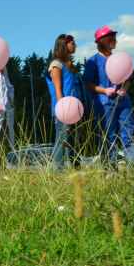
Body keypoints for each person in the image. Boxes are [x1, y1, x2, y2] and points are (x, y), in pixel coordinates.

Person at [83, 27, 134, 170]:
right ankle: (109, 169)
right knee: (107, 136)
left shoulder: (119, 58)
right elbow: (87, 84)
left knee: (129, 133)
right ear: (105, 41)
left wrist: (124, 89)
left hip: (123, 103)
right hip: (104, 104)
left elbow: (127, 79)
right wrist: (104, 90)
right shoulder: (93, 61)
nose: (116, 41)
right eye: (113, 39)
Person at [45, 34, 86, 170]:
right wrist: (64, 110)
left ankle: (77, 170)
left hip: (75, 110)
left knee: (75, 142)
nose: (75, 46)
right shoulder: (56, 64)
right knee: (61, 140)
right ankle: (59, 171)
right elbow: (58, 88)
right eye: (73, 43)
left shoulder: (70, 66)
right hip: (65, 110)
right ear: (64, 45)